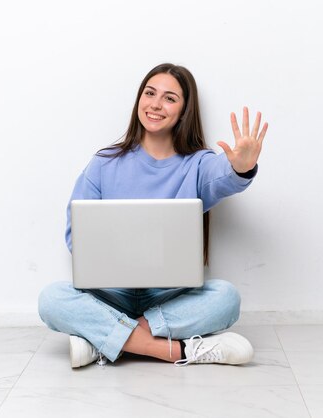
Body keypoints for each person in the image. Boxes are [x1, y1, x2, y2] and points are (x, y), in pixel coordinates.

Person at [38, 63, 268, 368]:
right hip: (111, 293)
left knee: (226, 297)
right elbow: (76, 237)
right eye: (150, 93)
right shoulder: (103, 163)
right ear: (139, 101)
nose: (156, 104)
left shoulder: (198, 164)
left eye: (170, 98)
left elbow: (225, 176)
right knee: (51, 299)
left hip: (169, 295)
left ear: (185, 111)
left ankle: (103, 342)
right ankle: (175, 351)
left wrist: (241, 165)